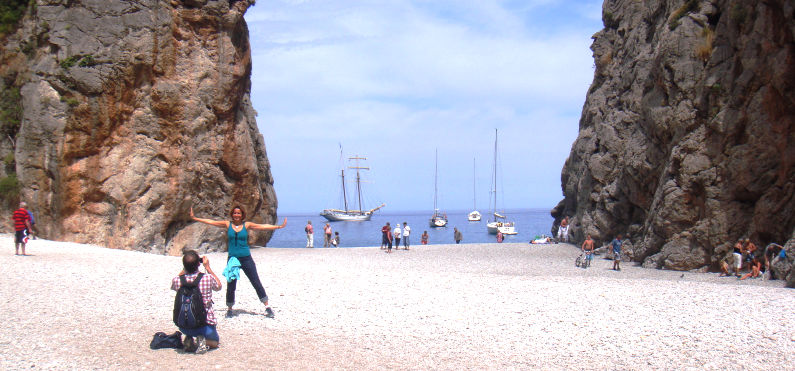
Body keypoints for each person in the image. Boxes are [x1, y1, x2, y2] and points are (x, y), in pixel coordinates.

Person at [190, 206, 286, 318]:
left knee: (256, 282)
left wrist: (279, 226)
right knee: (231, 285)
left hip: (246, 258)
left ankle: (267, 307)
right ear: (232, 214)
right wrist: (195, 218)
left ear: (242, 215)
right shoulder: (227, 224)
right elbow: (211, 222)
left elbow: (263, 226)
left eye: (238, 213)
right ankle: (230, 309)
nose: (236, 215)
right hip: (233, 259)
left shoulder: (247, 225)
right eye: (235, 213)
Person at [171, 250, 222, 354]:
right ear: (199, 264)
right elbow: (218, 286)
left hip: (184, 326)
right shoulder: (207, 278)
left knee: (189, 331)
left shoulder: (178, 280)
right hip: (205, 325)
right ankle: (202, 342)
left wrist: (185, 268)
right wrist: (208, 268)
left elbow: (175, 281)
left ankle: (189, 338)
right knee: (215, 342)